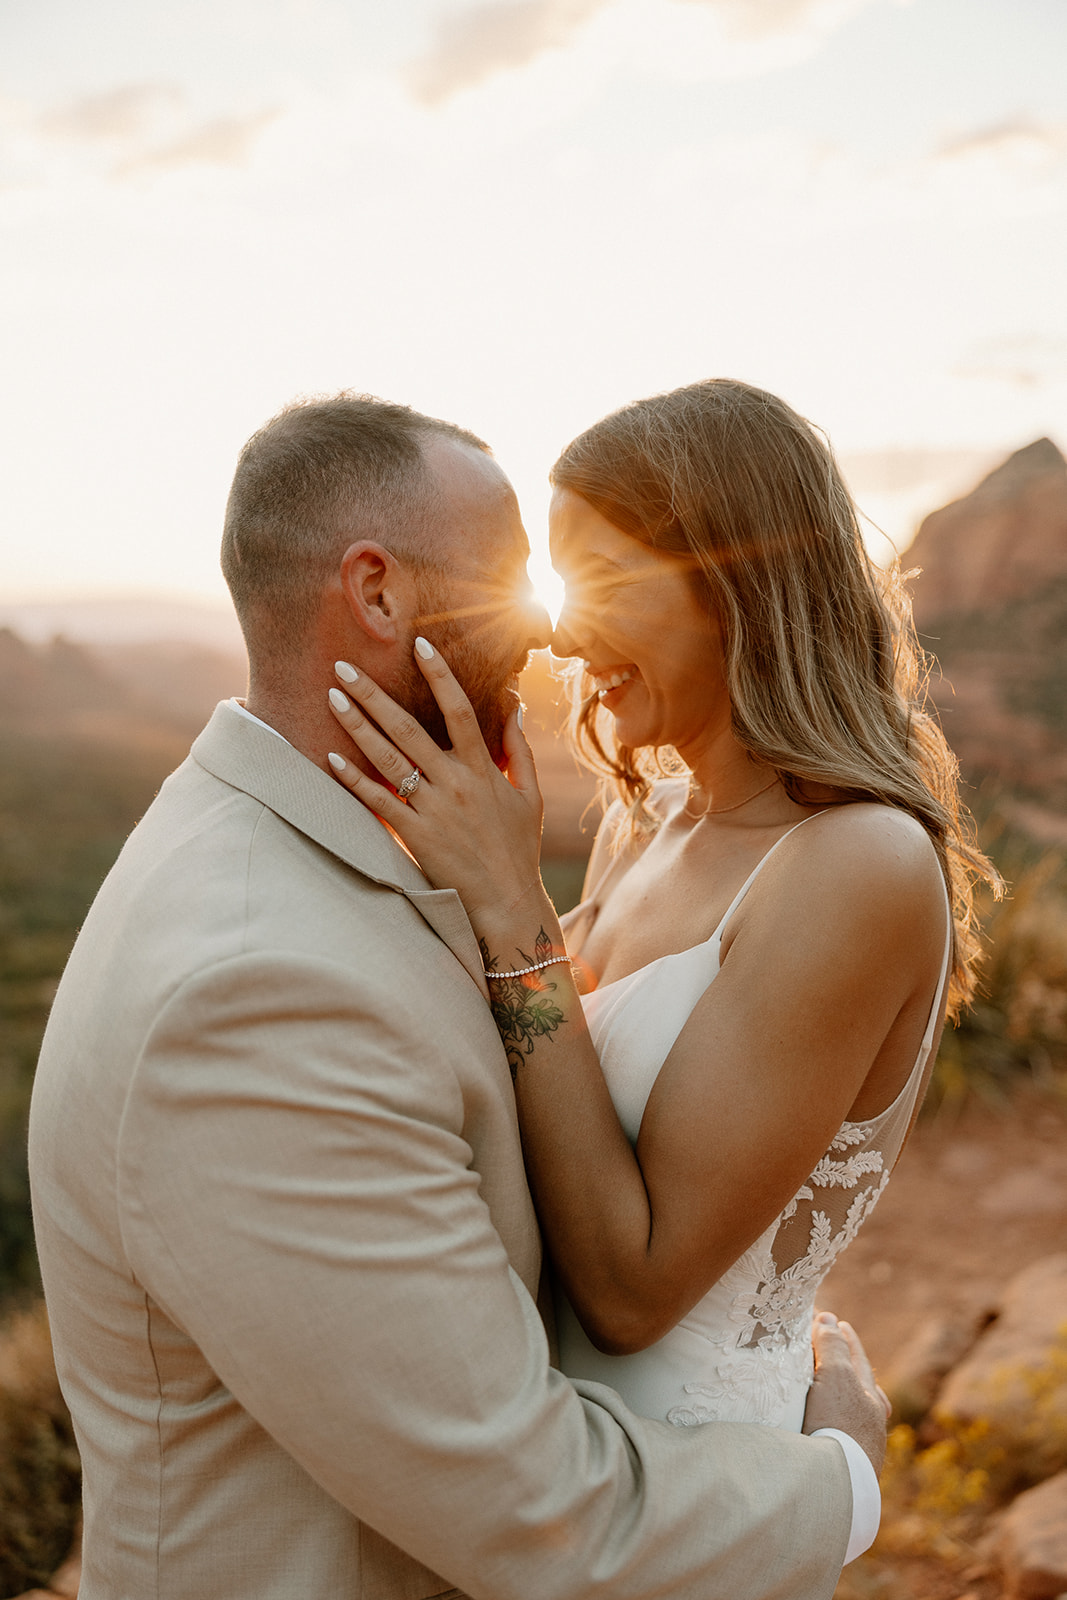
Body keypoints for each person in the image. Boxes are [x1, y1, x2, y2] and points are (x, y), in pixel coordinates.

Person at [29, 392, 884, 1600]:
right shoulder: (256, 991)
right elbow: (535, 1515)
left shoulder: (298, 856)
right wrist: (840, 1481)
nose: (544, 633)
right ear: (377, 594)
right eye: (509, 576)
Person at [323, 379, 1000, 1448]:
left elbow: (632, 1292)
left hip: (698, 1494)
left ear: (738, 585)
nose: (557, 628)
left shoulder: (854, 865)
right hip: (539, 1469)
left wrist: (512, 907)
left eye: (601, 578)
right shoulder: (645, 821)